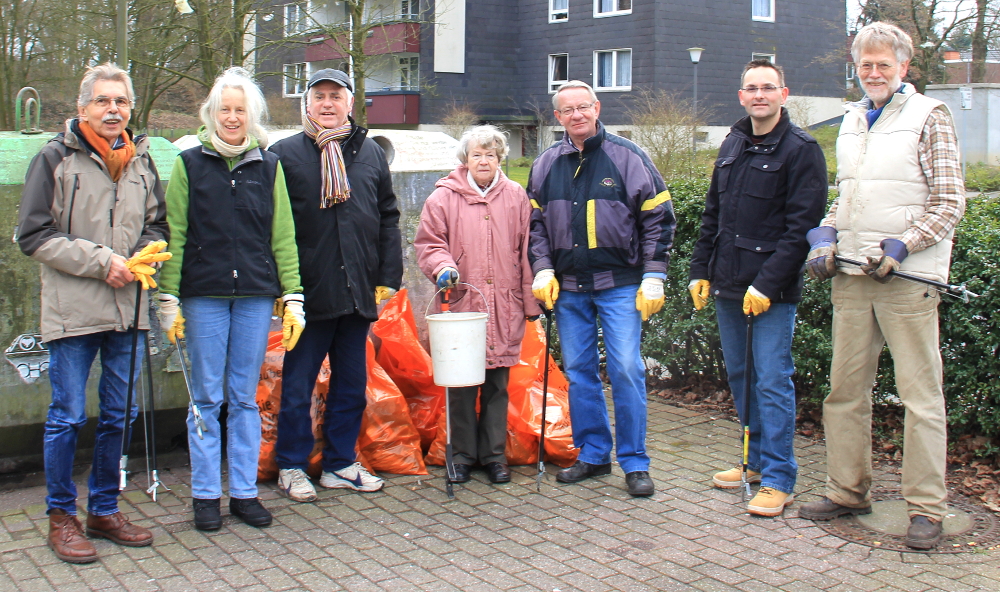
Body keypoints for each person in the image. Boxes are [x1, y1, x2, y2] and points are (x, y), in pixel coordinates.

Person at [798, 22, 965, 550]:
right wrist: (826, 236)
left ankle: (926, 509)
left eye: (883, 65)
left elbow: (949, 202)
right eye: (865, 64)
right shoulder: (850, 119)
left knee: (921, 398)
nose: (873, 73)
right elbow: (849, 198)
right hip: (852, 275)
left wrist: (904, 245)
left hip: (907, 279)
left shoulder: (929, 116)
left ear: (903, 68)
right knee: (844, 392)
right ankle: (848, 491)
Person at [17, 63, 167, 563]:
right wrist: (105, 264)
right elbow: (33, 235)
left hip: (129, 309)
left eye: (121, 102)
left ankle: (104, 509)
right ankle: (62, 516)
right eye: (103, 101)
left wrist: (145, 255)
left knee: (119, 414)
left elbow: (156, 226)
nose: (113, 110)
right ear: (82, 108)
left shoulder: (143, 161)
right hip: (73, 312)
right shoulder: (54, 159)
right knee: (67, 416)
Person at [156, 67, 303, 530]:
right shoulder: (189, 164)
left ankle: (242, 491)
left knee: (243, 397)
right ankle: (204, 494)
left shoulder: (269, 166)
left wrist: (293, 293)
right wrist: (168, 296)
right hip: (204, 296)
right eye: (225, 109)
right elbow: (175, 233)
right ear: (211, 113)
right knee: (205, 396)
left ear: (253, 115)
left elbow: (283, 234)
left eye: (241, 110)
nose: (233, 117)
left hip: (256, 297)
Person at [689, 60, 828, 517]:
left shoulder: (801, 149)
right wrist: (699, 270)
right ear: (741, 95)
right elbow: (714, 214)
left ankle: (779, 478)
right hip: (728, 287)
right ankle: (752, 463)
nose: (759, 95)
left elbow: (801, 227)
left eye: (768, 87)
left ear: (784, 94)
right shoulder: (732, 142)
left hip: (772, 291)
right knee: (743, 378)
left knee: (772, 381)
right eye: (751, 88)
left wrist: (767, 283)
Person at [528, 80, 676, 497]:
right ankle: (593, 454)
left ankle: (635, 462)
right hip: (570, 288)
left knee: (627, 369)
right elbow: (534, 226)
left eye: (583, 107)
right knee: (579, 373)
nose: (576, 115)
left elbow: (659, 219)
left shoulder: (629, 157)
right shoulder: (545, 163)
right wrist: (542, 269)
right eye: (567, 110)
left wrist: (654, 274)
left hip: (620, 285)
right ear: (557, 117)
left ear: (597, 107)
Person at [270, 69, 403, 502]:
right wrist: (281, 287)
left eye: (336, 96)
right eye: (319, 97)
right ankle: (291, 464)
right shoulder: (283, 155)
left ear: (350, 103)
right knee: (297, 385)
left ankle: (340, 463)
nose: (327, 104)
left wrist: (387, 277)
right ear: (306, 105)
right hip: (307, 293)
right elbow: (270, 225)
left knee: (351, 383)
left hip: (357, 290)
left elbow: (388, 215)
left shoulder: (368, 153)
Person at [414, 125, 542, 484]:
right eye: (476, 155)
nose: (483, 161)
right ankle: (461, 456)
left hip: (505, 304)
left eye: (490, 154)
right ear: (465, 160)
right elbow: (428, 242)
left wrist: (531, 303)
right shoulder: (443, 197)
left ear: (499, 158)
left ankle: (494, 456)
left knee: (497, 384)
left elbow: (527, 251)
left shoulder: (516, 196)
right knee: (461, 384)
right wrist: (443, 266)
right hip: (462, 304)